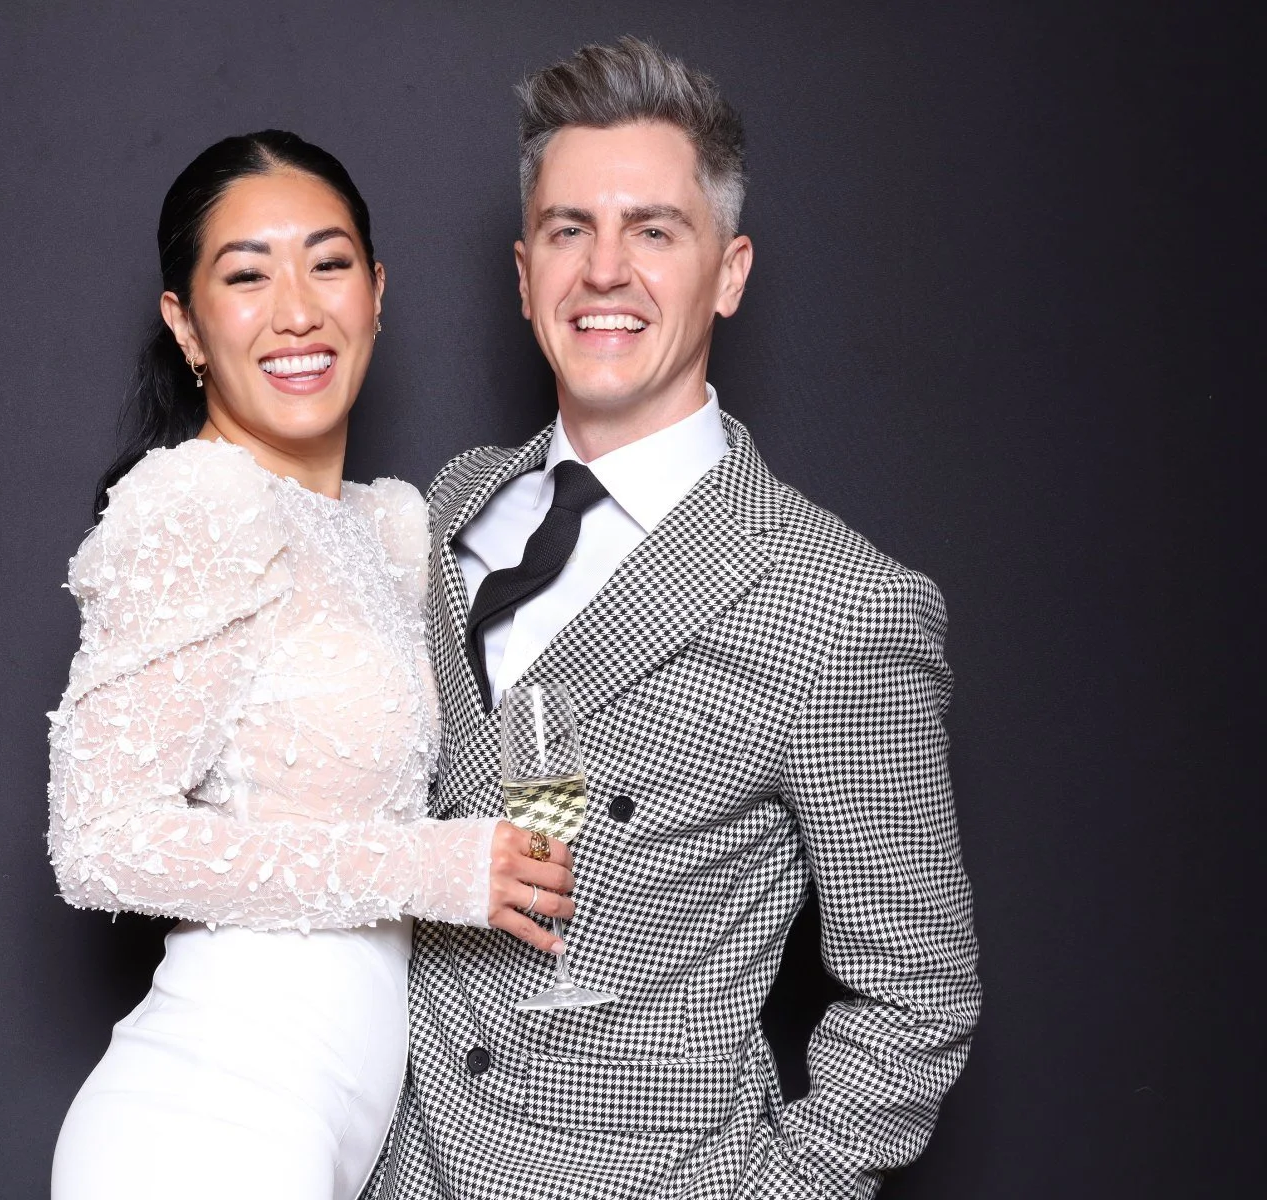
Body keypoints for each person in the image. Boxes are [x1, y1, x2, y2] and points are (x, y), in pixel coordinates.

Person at [368, 39, 983, 1199]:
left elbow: (918, 994)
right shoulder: (450, 502)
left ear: (730, 270)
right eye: (568, 230)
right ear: (522, 271)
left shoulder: (844, 608)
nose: (606, 271)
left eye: (654, 230)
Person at [45, 130, 575, 1200]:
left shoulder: (386, 528)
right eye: (246, 275)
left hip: (334, 1128)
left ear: (377, 293)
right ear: (186, 327)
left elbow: (498, 739)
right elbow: (94, 843)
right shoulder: (197, 504)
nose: (296, 308)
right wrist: (434, 870)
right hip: (209, 1115)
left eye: (327, 263)